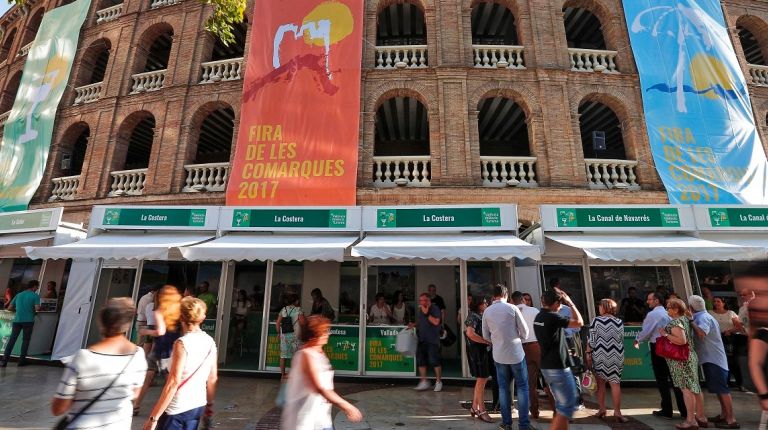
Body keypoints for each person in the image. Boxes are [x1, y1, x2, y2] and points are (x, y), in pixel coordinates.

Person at [51, 298, 147, 429]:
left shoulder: (83, 357)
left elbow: (58, 408)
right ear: (128, 324)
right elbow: (134, 394)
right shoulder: (138, 354)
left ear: (101, 322)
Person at [142, 297, 218, 430]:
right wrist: (209, 408)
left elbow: (173, 383)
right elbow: (212, 379)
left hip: (176, 408)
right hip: (197, 405)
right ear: (203, 317)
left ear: (181, 317)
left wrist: (153, 418)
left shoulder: (182, 343)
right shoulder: (210, 342)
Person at [281, 316, 362, 429]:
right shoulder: (306, 355)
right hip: (304, 420)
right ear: (315, 335)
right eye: (324, 331)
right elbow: (320, 387)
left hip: (322, 418)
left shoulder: (319, 353)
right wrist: (346, 406)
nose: (327, 334)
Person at [534, 288, 583, 430]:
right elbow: (579, 322)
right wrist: (571, 303)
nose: (562, 306)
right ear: (556, 303)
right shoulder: (553, 317)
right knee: (567, 407)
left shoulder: (539, 317)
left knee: (561, 405)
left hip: (547, 366)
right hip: (558, 366)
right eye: (561, 303)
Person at [482, 285, 530, 430]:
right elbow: (525, 333)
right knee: (522, 388)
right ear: (506, 295)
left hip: (498, 354)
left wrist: (496, 341)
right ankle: (523, 425)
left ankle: (506, 423)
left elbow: (485, 336)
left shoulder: (487, 311)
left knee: (503, 388)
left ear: (494, 295)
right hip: (516, 353)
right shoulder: (512, 308)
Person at [689, 295, 740, 429]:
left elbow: (701, 334)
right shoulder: (705, 315)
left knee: (722, 389)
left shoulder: (702, 318)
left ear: (691, 307)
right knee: (719, 389)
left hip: (714, 359)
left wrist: (691, 321)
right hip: (712, 358)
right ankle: (724, 415)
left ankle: (731, 419)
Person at [635, 291, 687, 420]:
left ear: (656, 300)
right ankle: (684, 410)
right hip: (673, 346)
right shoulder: (669, 314)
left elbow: (646, 331)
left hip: (659, 346)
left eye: (650, 299)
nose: (647, 302)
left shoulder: (653, 314)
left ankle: (667, 410)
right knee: (676, 379)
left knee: (662, 379)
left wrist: (638, 339)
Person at [135, 286, 183, 415]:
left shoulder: (159, 310)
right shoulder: (178, 312)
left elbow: (160, 331)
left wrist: (145, 331)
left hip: (160, 348)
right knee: (170, 380)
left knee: (149, 377)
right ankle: (174, 405)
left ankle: (136, 405)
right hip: (171, 349)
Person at [661, 298, 701, 430]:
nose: (667, 309)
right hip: (687, 357)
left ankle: (690, 420)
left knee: (686, 390)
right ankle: (694, 419)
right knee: (690, 388)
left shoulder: (676, 322)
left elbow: (681, 340)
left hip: (681, 360)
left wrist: (665, 334)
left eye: (668, 307)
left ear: (676, 309)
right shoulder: (684, 319)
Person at [586, 299, 628, 423]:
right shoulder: (619, 321)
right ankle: (617, 412)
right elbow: (620, 338)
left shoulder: (596, 320)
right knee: (615, 383)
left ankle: (602, 409)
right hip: (617, 354)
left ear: (603, 307)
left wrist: (588, 353)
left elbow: (592, 341)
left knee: (601, 383)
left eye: (599, 306)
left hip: (600, 355)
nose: (599, 308)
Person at [511, 290, 542, 419]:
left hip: (522, 348)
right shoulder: (534, 311)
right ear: (523, 300)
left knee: (530, 383)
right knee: (550, 380)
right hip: (537, 346)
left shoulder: (511, 312)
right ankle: (559, 412)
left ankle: (534, 411)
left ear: (512, 301)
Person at [464, 296, 494, 423]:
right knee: (482, 379)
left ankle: (474, 407)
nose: (486, 303)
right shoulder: (473, 315)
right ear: (478, 304)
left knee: (482, 379)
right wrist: (486, 341)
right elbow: (470, 333)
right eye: (484, 302)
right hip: (477, 351)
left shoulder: (481, 315)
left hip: (482, 351)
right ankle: (481, 410)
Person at [0, 280, 41, 367]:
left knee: (12, 340)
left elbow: (10, 308)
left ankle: (4, 361)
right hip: (28, 321)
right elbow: (37, 308)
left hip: (17, 320)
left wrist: (19, 311)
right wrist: (35, 310)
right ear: (34, 286)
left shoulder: (19, 295)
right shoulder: (35, 296)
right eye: (37, 287)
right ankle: (21, 361)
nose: (37, 288)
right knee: (25, 340)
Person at [709, 297, 746, 391]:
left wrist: (730, 330)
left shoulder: (731, 313)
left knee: (733, 362)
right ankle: (725, 383)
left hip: (729, 339)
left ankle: (740, 384)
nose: (716, 303)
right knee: (720, 362)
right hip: (715, 340)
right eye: (714, 301)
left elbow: (740, 326)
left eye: (718, 301)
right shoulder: (710, 313)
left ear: (723, 303)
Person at [409, 293, 442, 392]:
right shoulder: (421, 310)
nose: (421, 302)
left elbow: (436, 322)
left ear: (428, 300)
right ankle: (423, 381)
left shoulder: (435, 309)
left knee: (434, 361)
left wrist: (427, 313)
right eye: (420, 300)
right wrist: (414, 325)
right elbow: (421, 322)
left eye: (422, 300)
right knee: (421, 361)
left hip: (432, 339)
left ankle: (438, 382)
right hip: (422, 338)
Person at [276, 293, 305, 378]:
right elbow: (303, 322)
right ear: (297, 301)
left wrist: (278, 333)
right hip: (295, 335)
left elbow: (277, 323)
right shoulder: (299, 310)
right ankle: (294, 375)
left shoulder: (283, 309)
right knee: (295, 355)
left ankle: (282, 375)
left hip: (284, 336)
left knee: (283, 355)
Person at [137, 286, 159, 355]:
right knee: (143, 345)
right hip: (145, 324)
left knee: (142, 344)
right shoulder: (150, 300)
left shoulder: (144, 297)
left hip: (141, 322)